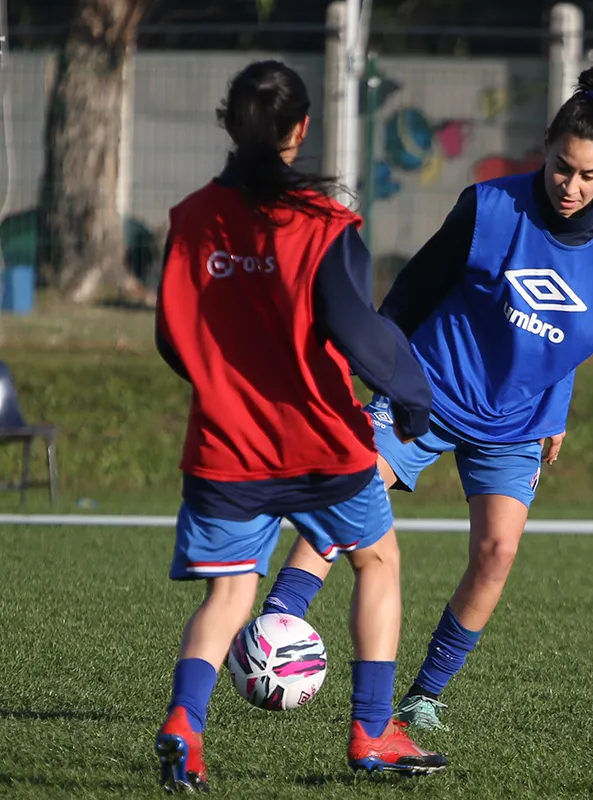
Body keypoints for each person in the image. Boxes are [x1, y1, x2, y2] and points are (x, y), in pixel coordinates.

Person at [261, 64, 593, 731]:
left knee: (497, 554)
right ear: (545, 147)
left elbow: (573, 337)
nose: (571, 185)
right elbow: (412, 290)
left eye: (589, 174)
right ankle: (276, 626)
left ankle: (423, 697)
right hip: (428, 388)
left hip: (517, 416)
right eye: (561, 167)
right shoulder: (490, 207)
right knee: (350, 488)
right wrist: (371, 370)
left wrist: (556, 412)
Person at [151, 60, 446, 792]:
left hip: (226, 449)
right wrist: (412, 395)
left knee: (227, 597)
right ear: (301, 129)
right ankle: (372, 732)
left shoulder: (191, 219)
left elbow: (171, 338)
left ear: (229, 124)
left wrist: (227, 387)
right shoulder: (322, 224)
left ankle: (186, 723)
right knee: (377, 562)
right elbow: (360, 332)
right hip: (321, 443)